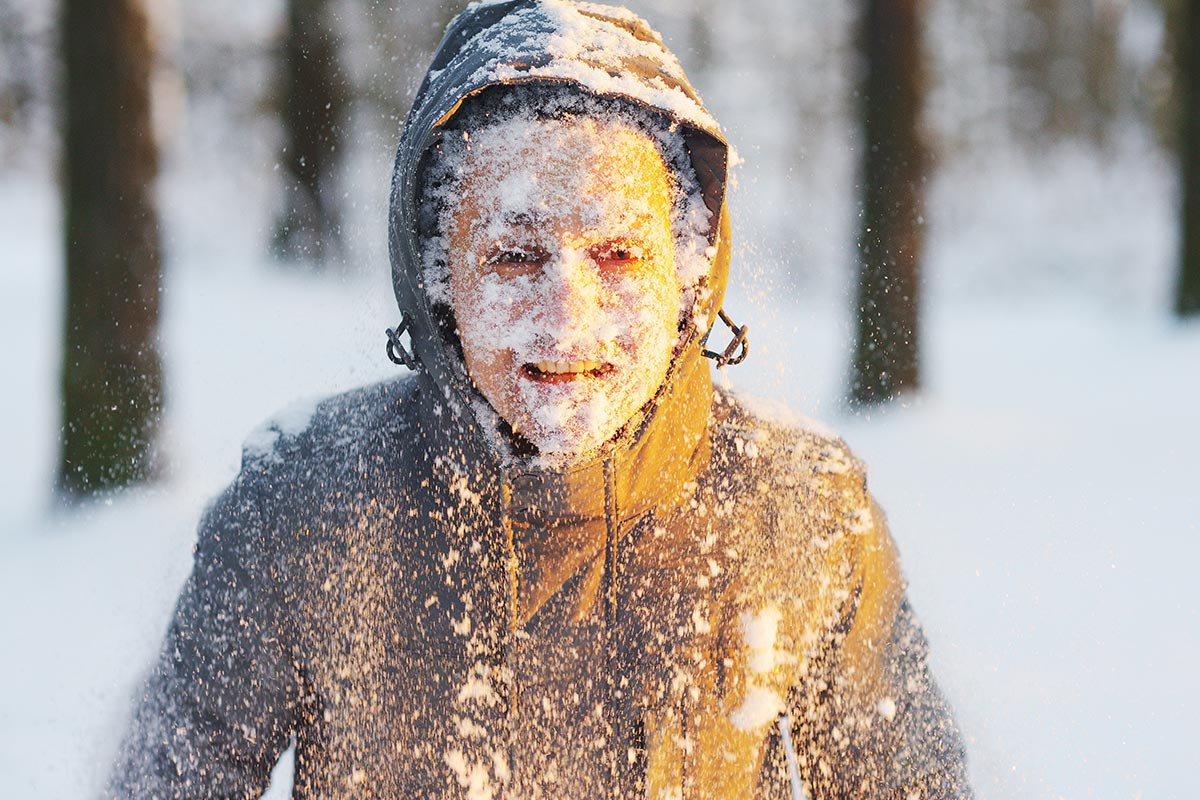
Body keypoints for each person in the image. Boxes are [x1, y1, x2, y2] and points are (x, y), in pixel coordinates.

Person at [106, 1, 972, 798]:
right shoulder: (306, 508)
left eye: (620, 258)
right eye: (516, 258)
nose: (568, 323)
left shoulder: (795, 511)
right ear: (438, 279)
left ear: (689, 275)